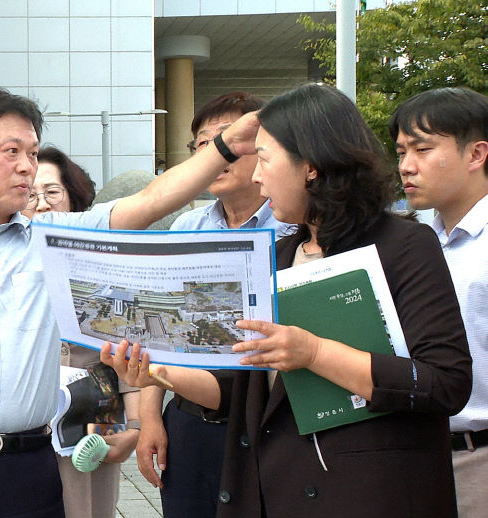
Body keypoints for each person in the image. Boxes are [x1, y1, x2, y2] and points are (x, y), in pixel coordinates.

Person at [0, 87, 260, 518]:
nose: (27, 166)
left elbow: (152, 200)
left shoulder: (58, 242)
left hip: (28, 468)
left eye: (32, 152)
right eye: (12, 151)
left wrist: (224, 147)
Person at [103, 83, 472, 518]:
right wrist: (159, 371)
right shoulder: (273, 256)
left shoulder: (404, 245)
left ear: (311, 165)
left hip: (371, 494)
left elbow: (444, 383)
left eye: (264, 159)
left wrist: (314, 352)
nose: (257, 176)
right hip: (276, 490)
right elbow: (240, 390)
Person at [135, 92, 292, 518]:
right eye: (202, 145)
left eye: (226, 141)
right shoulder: (188, 226)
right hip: (188, 419)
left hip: (265, 421)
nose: (213, 155)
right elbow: (162, 333)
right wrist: (152, 418)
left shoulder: (293, 225)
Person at [23, 145, 141, 518]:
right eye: (30, 195)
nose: (41, 204)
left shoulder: (107, 269)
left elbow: (130, 349)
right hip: (24, 432)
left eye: (52, 192)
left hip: (89, 432)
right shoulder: (7, 269)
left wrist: (134, 428)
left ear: (73, 199)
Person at [389, 87, 488, 518]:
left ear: (476, 153)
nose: (406, 167)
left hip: (476, 461)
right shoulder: (409, 241)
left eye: (423, 149)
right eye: (401, 151)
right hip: (408, 455)